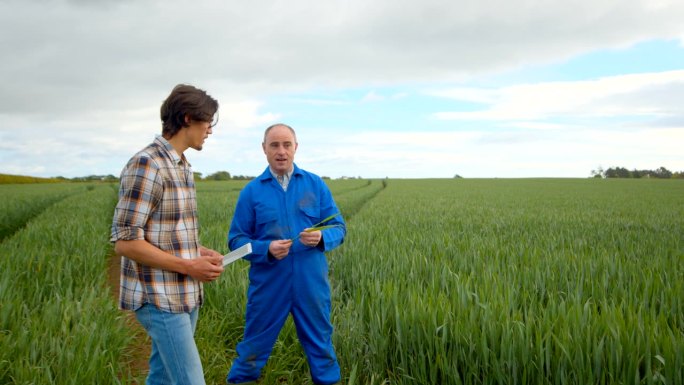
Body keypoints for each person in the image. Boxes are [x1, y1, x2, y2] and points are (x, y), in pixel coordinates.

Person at [110, 84, 224, 385]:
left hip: (184, 293)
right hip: (159, 297)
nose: (210, 130)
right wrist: (189, 265)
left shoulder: (182, 166)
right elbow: (126, 241)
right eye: (207, 121)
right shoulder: (147, 164)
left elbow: (165, 233)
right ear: (188, 119)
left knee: (161, 377)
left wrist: (198, 251)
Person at [226, 123, 346, 385]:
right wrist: (264, 249)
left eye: (287, 144)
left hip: (311, 284)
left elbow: (339, 227)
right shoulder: (252, 191)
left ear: (295, 147)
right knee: (253, 349)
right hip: (269, 284)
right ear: (264, 149)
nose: (281, 151)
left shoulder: (315, 184)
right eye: (274, 145)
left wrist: (322, 237)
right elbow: (236, 240)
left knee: (321, 347)